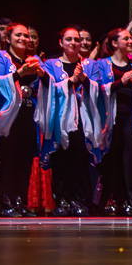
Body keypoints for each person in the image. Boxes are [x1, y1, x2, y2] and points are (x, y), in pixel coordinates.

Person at [89, 28, 132, 216]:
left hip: (131, 117)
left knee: (130, 158)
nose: (131, 40)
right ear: (114, 43)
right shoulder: (102, 65)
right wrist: (121, 82)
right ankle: (110, 200)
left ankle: (130, 200)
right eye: (126, 38)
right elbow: (96, 89)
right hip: (109, 118)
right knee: (111, 158)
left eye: (131, 38)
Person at [41, 26, 99, 217]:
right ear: (61, 43)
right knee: (61, 159)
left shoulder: (90, 64)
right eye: (69, 39)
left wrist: (84, 79)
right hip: (60, 119)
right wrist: (71, 81)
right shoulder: (51, 64)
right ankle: (62, 200)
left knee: (80, 158)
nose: (73, 43)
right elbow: (47, 87)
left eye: (77, 39)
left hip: (82, 119)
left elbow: (100, 90)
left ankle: (80, 199)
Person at [0, 23, 46, 217]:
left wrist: (41, 73)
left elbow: (46, 84)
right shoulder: (1, 56)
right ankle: (6, 201)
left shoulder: (35, 59)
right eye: (18, 35)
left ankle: (21, 200)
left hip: (29, 112)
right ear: (8, 38)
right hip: (9, 115)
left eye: (26, 36)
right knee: (8, 158)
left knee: (25, 158)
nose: (24, 39)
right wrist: (20, 73)